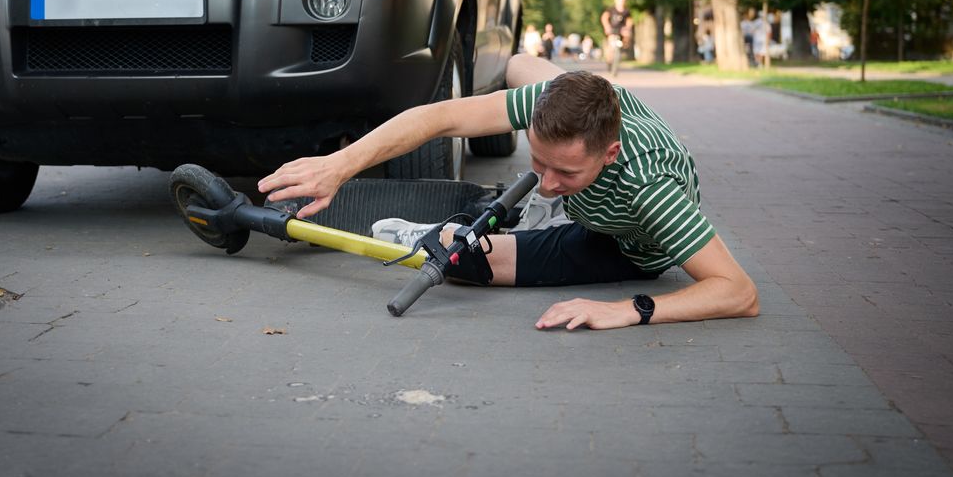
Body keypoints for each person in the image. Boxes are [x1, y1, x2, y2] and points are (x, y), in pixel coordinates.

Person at [258, 53, 760, 331]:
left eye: (563, 171)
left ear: (608, 154)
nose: (544, 182)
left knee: (466, 261)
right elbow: (440, 117)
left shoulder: (650, 189)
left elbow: (739, 292)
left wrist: (629, 309)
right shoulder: (557, 103)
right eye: (536, 162)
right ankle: (540, 207)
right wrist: (339, 165)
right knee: (521, 61)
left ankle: (514, 223)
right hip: (586, 152)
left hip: (619, 241)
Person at [600, 0, 632, 66]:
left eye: (623, 0)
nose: (621, 1)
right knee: (611, 44)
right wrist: (607, 27)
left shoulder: (626, 11)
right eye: (620, 0)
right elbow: (604, 18)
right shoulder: (611, 9)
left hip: (622, 29)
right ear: (616, 0)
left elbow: (629, 21)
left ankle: (623, 49)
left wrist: (628, 28)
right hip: (612, 29)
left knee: (627, 35)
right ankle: (609, 60)